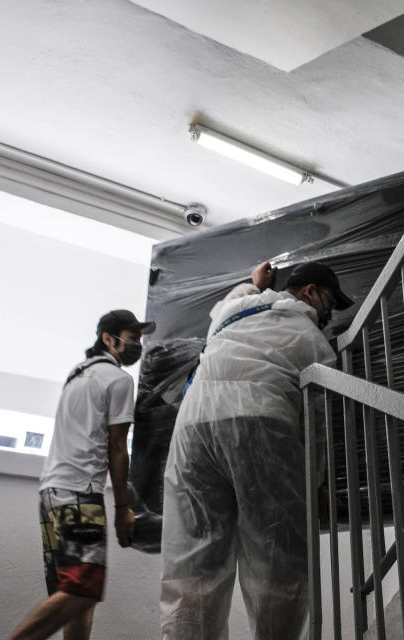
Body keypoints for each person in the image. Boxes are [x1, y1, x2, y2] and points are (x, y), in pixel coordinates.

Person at [160, 260, 354, 640]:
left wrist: (255, 282)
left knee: (192, 563)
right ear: (309, 293)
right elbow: (316, 425)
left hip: (192, 426)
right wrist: (314, 483)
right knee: (276, 561)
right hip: (260, 421)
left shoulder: (230, 313)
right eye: (329, 301)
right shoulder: (310, 339)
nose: (329, 313)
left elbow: (236, 297)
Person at [9, 310, 155, 640]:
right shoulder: (118, 380)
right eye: (132, 339)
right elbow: (117, 448)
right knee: (83, 590)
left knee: (76, 598)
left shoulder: (76, 374)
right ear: (108, 339)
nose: (137, 346)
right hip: (78, 493)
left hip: (51, 494)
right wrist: (122, 509)